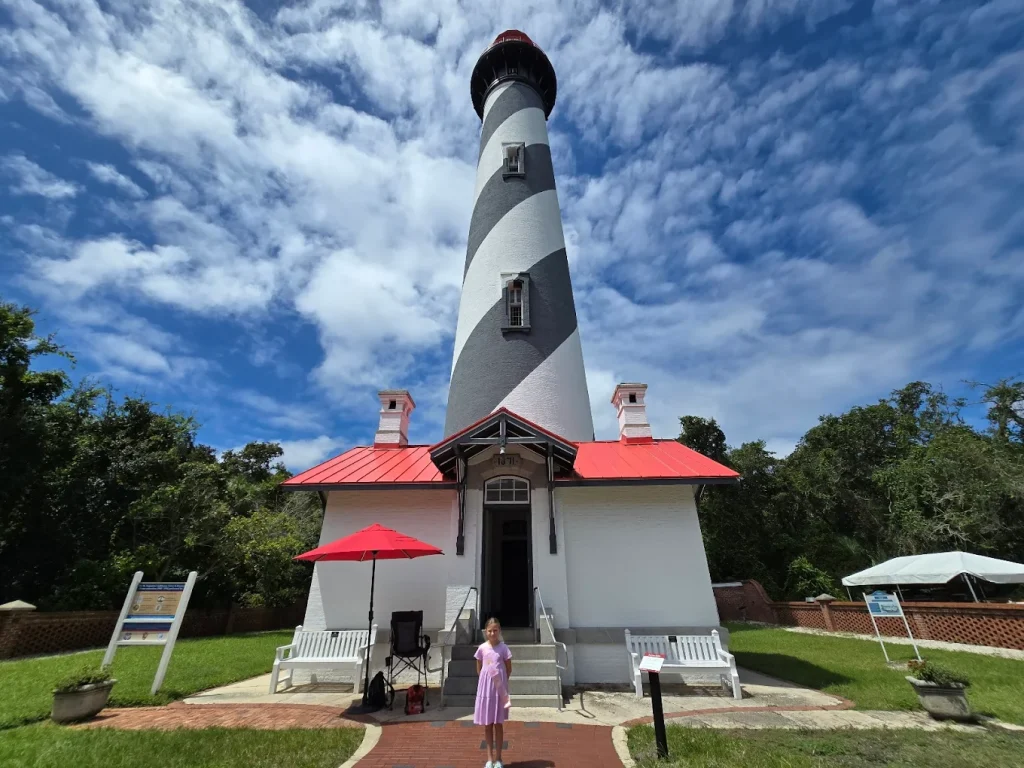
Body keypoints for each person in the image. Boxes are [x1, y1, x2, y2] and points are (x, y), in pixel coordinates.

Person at [474, 617, 512, 768]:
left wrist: (501, 681)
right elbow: (479, 668)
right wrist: (485, 681)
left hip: (499, 691)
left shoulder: (504, 648)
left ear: (499, 631)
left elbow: (508, 668)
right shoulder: (482, 648)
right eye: (490, 631)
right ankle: (489, 759)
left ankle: (499, 758)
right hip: (486, 691)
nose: (492, 633)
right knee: (488, 724)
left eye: (495, 630)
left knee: (498, 724)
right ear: (485, 632)